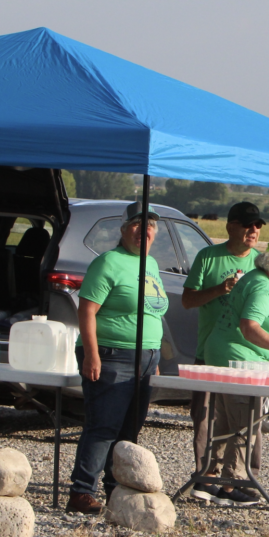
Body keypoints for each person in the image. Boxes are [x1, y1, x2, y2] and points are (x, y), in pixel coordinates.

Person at [66, 202, 169, 514]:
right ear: (123, 229)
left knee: (130, 430)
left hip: (146, 357)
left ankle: (116, 488)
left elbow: (151, 311)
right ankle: (82, 490)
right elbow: (87, 310)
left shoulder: (151, 264)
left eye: (150, 225)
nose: (143, 230)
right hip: (111, 355)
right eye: (137, 224)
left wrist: (153, 357)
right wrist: (91, 354)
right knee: (103, 426)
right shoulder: (108, 262)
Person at [202, 237, 269, 506]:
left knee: (225, 421)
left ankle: (208, 479)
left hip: (222, 354)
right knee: (245, 422)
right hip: (239, 360)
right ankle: (232, 484)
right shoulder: (262, 286)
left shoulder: (255, 279)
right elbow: (249, 326)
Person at [181, 202, 264, 501]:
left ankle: (240, 482)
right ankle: (206, 478)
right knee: (206, 419)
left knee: (245, 420)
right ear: (230, 226)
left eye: (257, 225)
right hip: (209, 353)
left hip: (246, 359)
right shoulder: (208, 257)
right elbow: (187, 301)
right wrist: (220, 289)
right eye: (247, 224)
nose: (253, 230)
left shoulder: (260, 263)